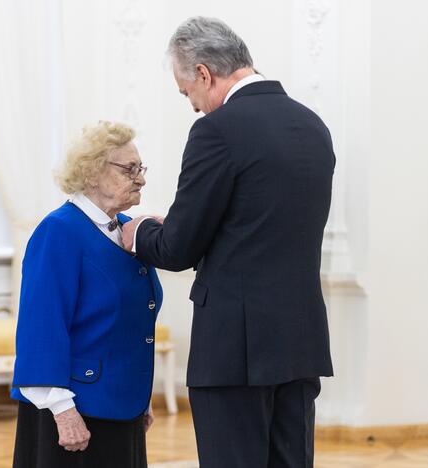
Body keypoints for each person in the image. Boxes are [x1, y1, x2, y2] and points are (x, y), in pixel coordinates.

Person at [121, 16, 335, 468]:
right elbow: (260, 225)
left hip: (235, 351)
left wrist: (140, 231)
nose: (194, 107)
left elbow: (177, 248)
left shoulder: (217, 131)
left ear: (203, 73)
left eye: (187, 93)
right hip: (300, 342)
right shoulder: (312, 125)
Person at [11, 121, 163, 468]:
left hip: (122, 403)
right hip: (73, 408)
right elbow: (42, 326)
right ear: (92, 173)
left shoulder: (126, 228)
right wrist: (62, 409)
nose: (140, 179)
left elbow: (133, 321)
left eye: (141, 169)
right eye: (130, 169)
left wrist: (142, 396)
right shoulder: (59, 229)